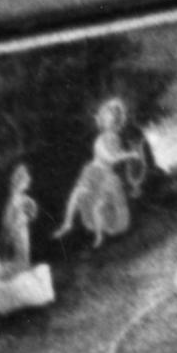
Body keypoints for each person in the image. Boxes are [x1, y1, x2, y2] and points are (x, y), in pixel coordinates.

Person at [57, 94, 148, 251]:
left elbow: (114, 158)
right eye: (105, 117)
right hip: (92, 172)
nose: (107, 121)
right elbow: (111, 156)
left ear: (116, 122)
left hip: (106, 177)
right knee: (77, 194)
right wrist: (129, 154)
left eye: (111, 118)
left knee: (99, 207)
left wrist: (130, 156)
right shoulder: (102, 138)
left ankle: (99, 236)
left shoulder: (115, 138)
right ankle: (67, 223)